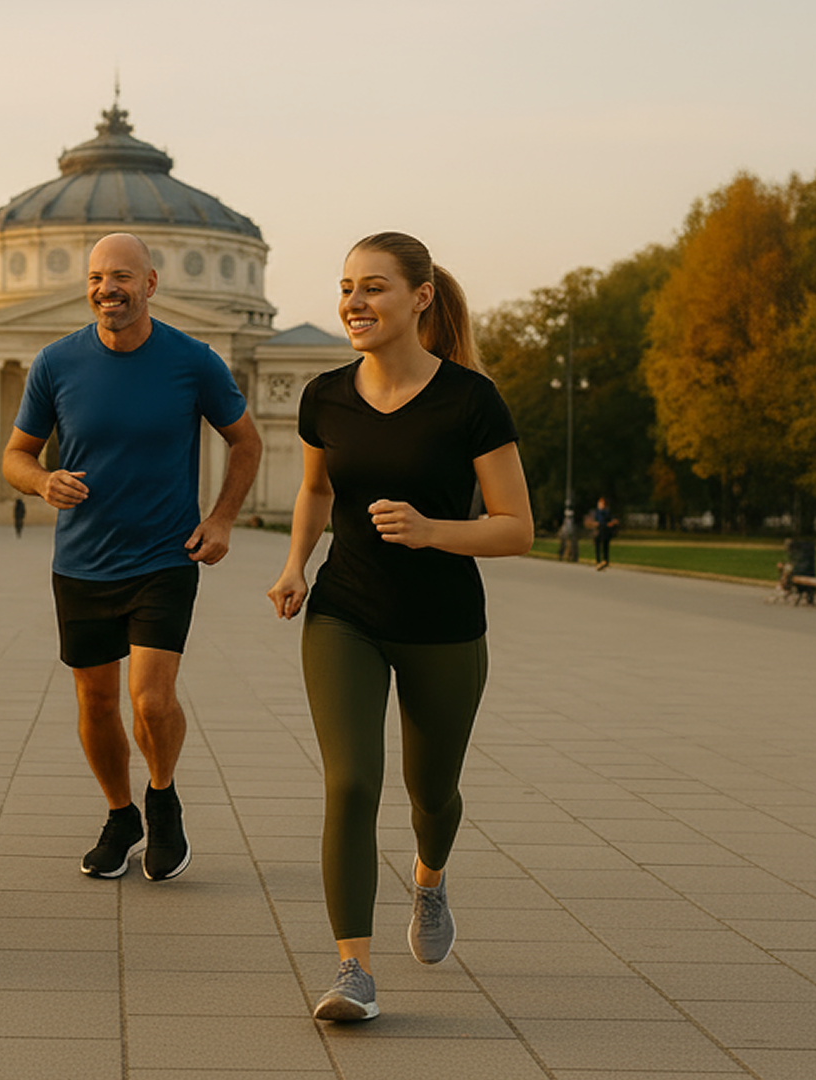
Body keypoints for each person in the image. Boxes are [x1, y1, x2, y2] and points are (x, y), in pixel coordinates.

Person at [266, 232, 532, 1023]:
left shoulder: (470, 400)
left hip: (443, 623)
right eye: (347, 286)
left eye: (374, 287)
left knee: (432, 794)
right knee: (350, 784)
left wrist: (432, 530)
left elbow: (518, 527)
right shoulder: (324, 395)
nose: (355, 302)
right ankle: (353, 970)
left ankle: (430, 880)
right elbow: (315, 491)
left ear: (420, 298)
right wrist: (294, 564)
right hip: (345, 610)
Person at [3, 232, 260, 884]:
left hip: (164, 557)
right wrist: (41, 482)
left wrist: (223, 518)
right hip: (82, 562)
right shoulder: (55, 363)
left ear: (150, 283)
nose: (106, 289)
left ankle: (162, 795)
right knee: (95, 704)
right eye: (95, 277)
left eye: (120, 276)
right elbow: (17, 455)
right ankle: (121, 816)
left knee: (150, 700)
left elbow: (247, 442)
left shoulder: (192, 360)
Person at [590, 496, 619, 570]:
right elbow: (593, 521)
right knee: (598, 547)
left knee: (605, 546)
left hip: (605, 531)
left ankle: (605, 560)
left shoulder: (607, 512)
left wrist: (612, 523)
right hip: (598, 531)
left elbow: (610, 520)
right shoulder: (596, 512)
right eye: (600, 503)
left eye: (602, 503)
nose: (601, 505)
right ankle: (598, 561)